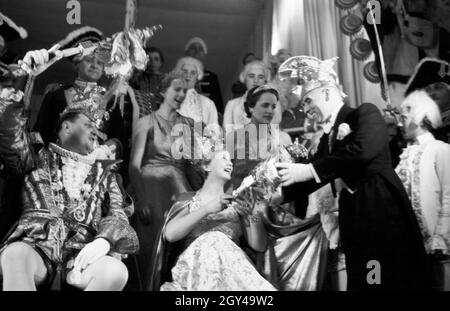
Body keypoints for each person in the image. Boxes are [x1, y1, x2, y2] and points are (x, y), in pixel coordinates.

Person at [276, 56, 430, 290]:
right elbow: (314, 177)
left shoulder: (364, 113)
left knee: (385, 276)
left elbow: (363, 150)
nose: (305, 110)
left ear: (327, 93)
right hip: (355, 216)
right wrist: (278, 194)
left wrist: (308, 170)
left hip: (381, 209)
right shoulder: (328, 137)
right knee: (365, 278)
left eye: (307, 102)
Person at [0, 49, 139, 291]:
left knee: (115, 271)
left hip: (82, 256)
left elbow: (118, 214)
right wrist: (23, 75)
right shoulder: (34, 156)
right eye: (87, 124)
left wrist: (105, 240)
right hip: (36, 246)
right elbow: (8, 129)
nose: (95, 130)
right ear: (65, 126)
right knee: (15, 255)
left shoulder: (106, 173)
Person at [225, 85, 330, 291]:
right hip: (245, 208)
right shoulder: (233, 138)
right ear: (251, 107)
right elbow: (226, 179)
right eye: (264, 105)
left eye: (273, 106)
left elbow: (287, 178)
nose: (269, 110)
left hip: (276, 207)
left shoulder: (283, 138)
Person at [152, 145, 276, 291]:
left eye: (231, 161)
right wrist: (207, 209)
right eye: (223, 158)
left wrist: (252, 214)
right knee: (212, 239)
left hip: (230, 272)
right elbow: (170, 234)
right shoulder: (188, 200)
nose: (230, 163)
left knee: (217, 240)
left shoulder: (236, 204)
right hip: (195, 270)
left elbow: (259, 245)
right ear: (206, 165)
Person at [129, 71, 202, 289]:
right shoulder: (146, 121)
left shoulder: (189, 124)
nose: (181, 94)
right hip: (151, 190)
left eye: (185, 91)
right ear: (163, 91)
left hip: (179, 191)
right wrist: (140, 199)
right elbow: (134, 165)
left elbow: (191, 165)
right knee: (150, 246)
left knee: (179, 246)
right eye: (176, 89)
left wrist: (202, 190)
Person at [395, 90, 450, 289]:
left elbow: (448, 195)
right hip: (411, 244)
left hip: (438, 246)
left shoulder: (440, 149)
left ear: (419, 118)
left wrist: (441, 237)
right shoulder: (404, 157)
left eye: (404, 118)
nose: (400, 124)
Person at [223, 61, 281, 134]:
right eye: (251, 76)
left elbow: (275, 130)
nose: (256, 81)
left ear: (265, 81)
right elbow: (227, 133)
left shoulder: (274, 103)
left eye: (261, 77)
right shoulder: (232, 105)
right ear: (244, 79)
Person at [174, 56, 219, 135]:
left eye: (193, 72)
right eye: (185, 71)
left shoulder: (208, 103)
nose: (188, 75)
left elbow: (215, 133)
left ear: (198, 76)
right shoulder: (171, 99)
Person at [184, 37, 223, 114]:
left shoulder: (212, 77)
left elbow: (218, 105)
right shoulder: (178, 76)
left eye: (200, 49)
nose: (196, 51)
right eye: (193, 48)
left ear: (204, 54)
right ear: (187, 53)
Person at [129, 46, 165, 117]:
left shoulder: (166, 80)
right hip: (140, 113)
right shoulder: (136, 79)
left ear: (161, 62)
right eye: (149, 59)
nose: (152, 62)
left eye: (156, 59)